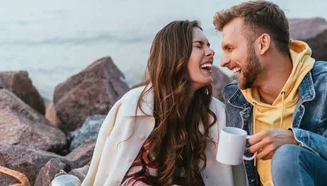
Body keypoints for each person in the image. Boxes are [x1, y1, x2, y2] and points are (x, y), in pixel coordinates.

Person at [213, 1, 327, 186]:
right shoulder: (236, 98)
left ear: (263, 44)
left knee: (288, 155)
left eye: (230, 49)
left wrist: (297, 140)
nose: (223, 61)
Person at [80, 20, 235, 186]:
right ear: (175, 54)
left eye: (208, 45)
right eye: (199, 46)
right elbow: (121, 176)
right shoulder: (135, 105)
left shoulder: (216, 111)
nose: (211, 52)